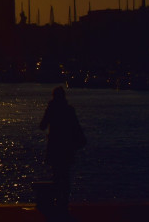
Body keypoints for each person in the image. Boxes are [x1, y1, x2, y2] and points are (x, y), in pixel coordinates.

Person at [39, 86, 86, 217]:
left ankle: (57, 202)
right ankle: (63, 203)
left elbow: (42, 126)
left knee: (56, 174)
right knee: (65, 175)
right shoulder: (69, 110)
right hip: (66, 147)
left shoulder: (52, 109)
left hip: (55, 146)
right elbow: (76, 127)